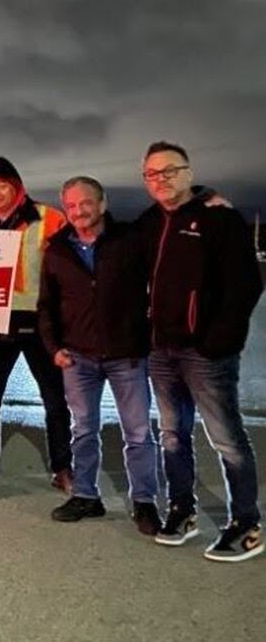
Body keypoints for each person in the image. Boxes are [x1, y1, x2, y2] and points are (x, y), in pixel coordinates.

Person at [137, 141, 263, 562]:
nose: (161, 180)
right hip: (161, 349)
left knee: (226, 438)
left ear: (188, 172)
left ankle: (246, 524)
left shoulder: (218, 219)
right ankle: (182, 510)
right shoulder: (149, 223)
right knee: (172, 435)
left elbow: (246, 284)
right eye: (152, 174)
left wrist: (218, 342)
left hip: (205, 353)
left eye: (169, 171)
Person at [37, 177, 160, 534]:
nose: (78, 211)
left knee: (138, 433)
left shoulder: (130, 241)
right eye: (71, 206)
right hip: (77, 358)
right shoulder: (57, 250)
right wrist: (53, 348)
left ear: (102, 204)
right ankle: (87, 497)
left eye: (85, 203)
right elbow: (46, 306)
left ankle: (144, 502)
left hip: (127, 354)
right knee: (83, 431)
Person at [0, 157, 72, 499]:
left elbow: (71, 266)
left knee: (55, 399)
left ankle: (62, 468)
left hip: (42, 323)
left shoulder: (50, 219)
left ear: (17, 187)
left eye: (0, 186)